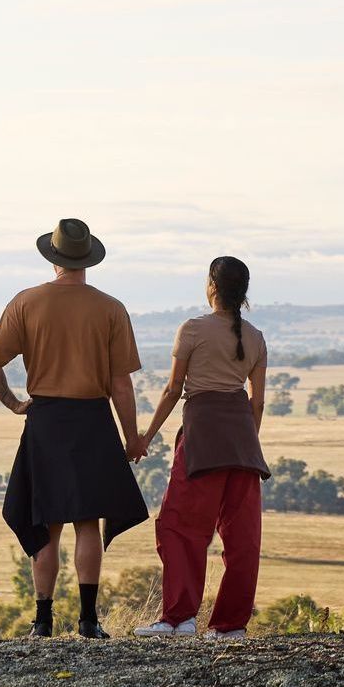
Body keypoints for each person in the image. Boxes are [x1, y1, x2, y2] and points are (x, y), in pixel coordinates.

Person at [0, 216, 147, 639]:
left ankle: (42, 621)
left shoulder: (26, 302)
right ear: (88, 259)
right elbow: (120, 385)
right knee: (88, 522)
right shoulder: (111, 308)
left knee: (47, 522)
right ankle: (89, 620)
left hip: (46, 420)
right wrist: (133, 437)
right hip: (92, 419)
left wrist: (16, 403)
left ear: (53, 257)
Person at [136, 255, 270, 639]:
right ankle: (230, 626)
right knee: (242, 537)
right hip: (243, 443)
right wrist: (246, 442)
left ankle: (179, 618)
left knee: (178, 526)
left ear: (211, 286)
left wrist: (146, 437)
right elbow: (256, 402)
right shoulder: (256, 337)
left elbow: (172, 390)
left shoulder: (192, 329)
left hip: (202, 437)